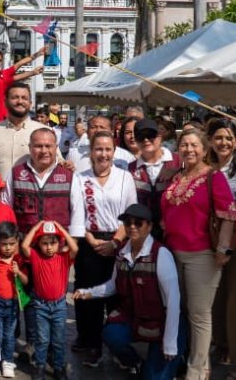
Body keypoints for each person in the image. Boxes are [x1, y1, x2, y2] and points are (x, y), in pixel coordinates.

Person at [160, 128, 236, 380]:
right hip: (174, 253)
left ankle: (195, 372)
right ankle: (200, 363)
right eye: (184, 145)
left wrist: (223, 249)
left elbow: (229, 214)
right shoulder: (175, 176)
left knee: (199, 314)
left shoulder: (213, 177)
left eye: (194, 145)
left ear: (205, 150)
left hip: (201, 255)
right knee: (181, 309)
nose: (189, 149)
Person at [73, 203, 183, 380]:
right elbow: (113, 285)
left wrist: (170, 343)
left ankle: (176, 357)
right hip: (135, 318)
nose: (132, 227)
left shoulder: (161, 254)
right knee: (111, 334)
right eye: (127, 223)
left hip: (163, 322)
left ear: (149, 226)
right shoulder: (122, 252)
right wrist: (89, 292)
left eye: (138, 223)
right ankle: (137, 363)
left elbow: (173, 302)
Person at [67, 131, 137, 367]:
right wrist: (90, 239)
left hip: (119, 241)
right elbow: (77, 212)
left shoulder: (125, 177)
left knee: (117, 297)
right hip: (90, 243)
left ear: (114, 151)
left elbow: (130, 214)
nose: (103, 154)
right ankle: (92, 345)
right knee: (90, 298)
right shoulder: (80, 177)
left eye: (108, 149)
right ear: (91, 152)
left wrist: (115, 242)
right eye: (99, 149)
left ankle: (117, 348)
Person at [205, 119, 236, 379]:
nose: (223, 143)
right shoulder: (204, 166)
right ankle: (221, 343)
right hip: (209, 240)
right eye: (218, 137)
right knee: (215, 297)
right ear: (210, 140)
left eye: (228, 138)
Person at [20, 220, 78, 380]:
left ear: (59, 243)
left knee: (58, 340)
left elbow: (75, 248)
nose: (49, 247)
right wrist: (36, 227)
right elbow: (25, 246)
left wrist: (60, 228)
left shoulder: (63, 258)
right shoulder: (36, 257)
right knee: (43, 340)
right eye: (44, 243)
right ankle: (39, 366)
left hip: (59, 306)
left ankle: (58, 367)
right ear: (38, 244)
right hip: (41, 306)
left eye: (53, 243)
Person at [0, 83, 50, 191]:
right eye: (15, 97)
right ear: (5, 102)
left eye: (24, 98)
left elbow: (56, 164)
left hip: (32, 198)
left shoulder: (44, 132)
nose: (20, 101)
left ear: (30, 103)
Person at [11, 128, 73, 235]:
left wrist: (73, 242)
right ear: (30, 148)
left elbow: (77, 212)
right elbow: (7, 208)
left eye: (48, 146)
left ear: (56, 148)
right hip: (24, 244)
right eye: (38, 146)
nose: (44, 151)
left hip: (59, 245)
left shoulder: (69, 175)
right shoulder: (15, 174)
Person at [127, 119, 181, 239]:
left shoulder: (179, 161)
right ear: (136, 141)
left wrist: (180, 171)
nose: (146, 140)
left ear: (160, 136)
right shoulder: (130, 169)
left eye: (150, 135)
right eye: (141, 137)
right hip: (144, 235)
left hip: (175, 232)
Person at [0, 221, 26, 379]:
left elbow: (26, 281)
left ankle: (7, 361)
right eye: (4, 244)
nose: (8, 248)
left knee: (9, 335)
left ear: (17, 242)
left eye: (12, 244)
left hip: (12, 304)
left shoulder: (18, 261)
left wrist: (18, 272)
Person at [67, 115, 135, 173]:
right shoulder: (73, 154)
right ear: (87, 133)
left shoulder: (126, 157)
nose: (98, 130)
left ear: (112, 132)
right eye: (93, 127)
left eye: (102, 127)